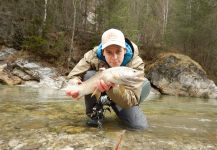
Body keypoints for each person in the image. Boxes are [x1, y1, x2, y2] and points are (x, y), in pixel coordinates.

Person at [66, 28, 151, 130]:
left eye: (118, 52)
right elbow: (73, 76)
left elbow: (132, 99)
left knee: (139, 126)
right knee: (89, 74)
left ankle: (116, 107)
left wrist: (112, 88)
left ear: (124, 50)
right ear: (103, 52)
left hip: (122, 95)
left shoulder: (136, 63)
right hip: (97, 89)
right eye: (109, 52)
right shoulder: (92, 56)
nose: (114, 57)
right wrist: (75, 85)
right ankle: (95, 114)